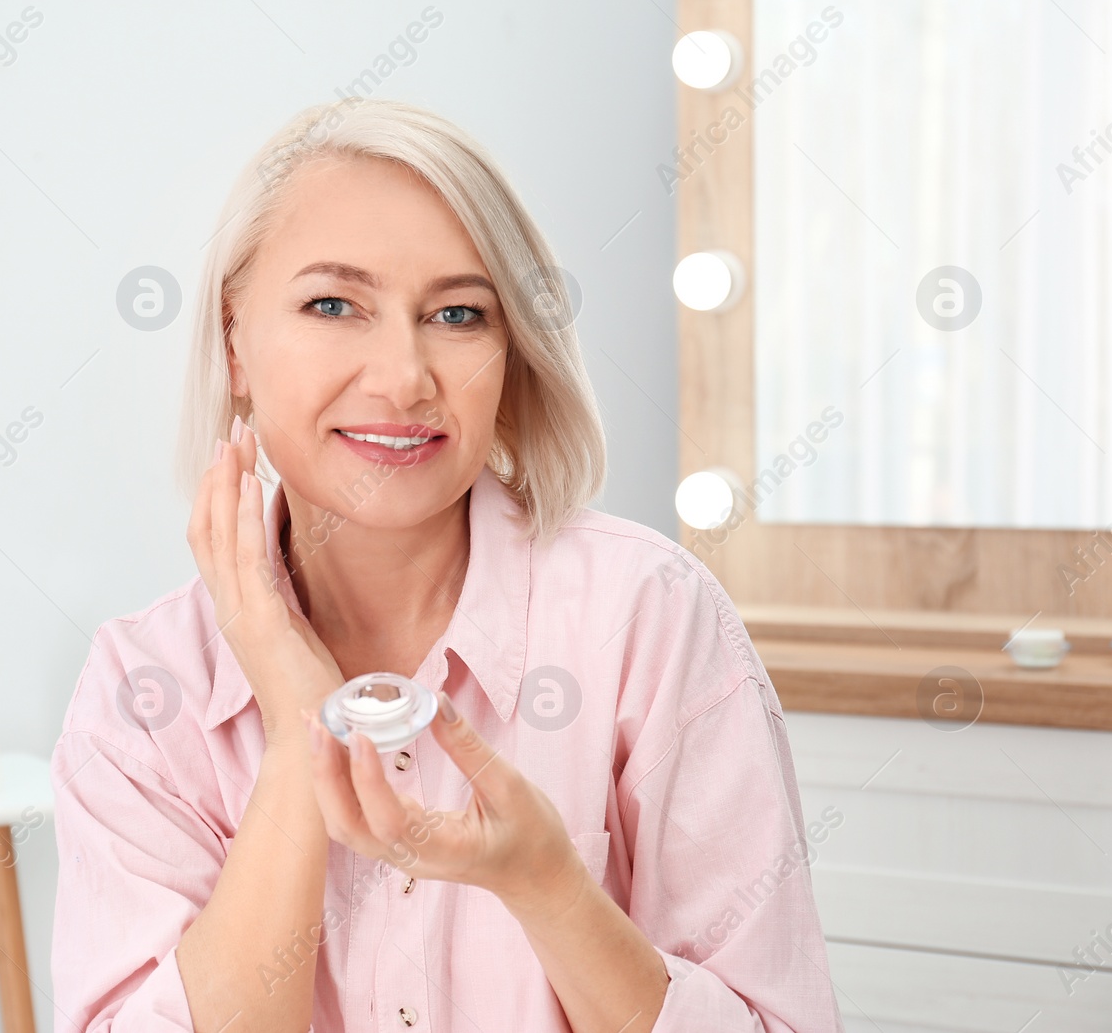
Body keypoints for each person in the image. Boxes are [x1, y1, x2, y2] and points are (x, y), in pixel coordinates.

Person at [51, 97, 843, 1032]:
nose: (403, 377)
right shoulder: (145, 692)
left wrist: (549, 882)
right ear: (234, 344)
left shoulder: (649, 619)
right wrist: (298, 733)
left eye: (458, 313)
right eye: (333, 304)